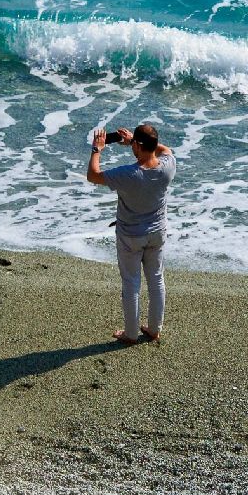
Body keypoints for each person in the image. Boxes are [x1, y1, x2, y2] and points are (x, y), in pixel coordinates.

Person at [86, 123, 176, 345]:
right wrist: (135, 143)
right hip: (157, 232)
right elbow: (166, 151)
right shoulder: (167, 167)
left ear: (137, 145)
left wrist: (97, 149)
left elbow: (93, 175)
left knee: (131, 283)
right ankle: (154, 329)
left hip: (130, 236)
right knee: (156, 280)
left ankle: (131, 333)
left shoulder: (128, 174)